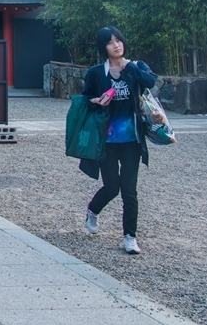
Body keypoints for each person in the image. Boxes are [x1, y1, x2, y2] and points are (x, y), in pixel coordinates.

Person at [82, 26, 157, 255]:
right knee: (112, 186)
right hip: (106, 140)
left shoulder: (136, 67)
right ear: (103, 47)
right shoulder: (97, 73)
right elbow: (84, 99)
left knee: (129, 190)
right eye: (110, 42)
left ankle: (130, 236)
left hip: (131, 140)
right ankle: (93, 210)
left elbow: (151, 81)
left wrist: (130, 67)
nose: (116, 45)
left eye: (119, 40)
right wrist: (96, 101)